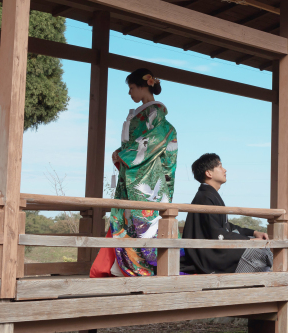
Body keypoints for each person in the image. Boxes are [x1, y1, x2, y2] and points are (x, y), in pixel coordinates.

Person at [108, 68, 178, 277]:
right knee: (127, 220)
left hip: (146, 177)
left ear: (142, 86)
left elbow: (153, 142)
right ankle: (130, 269)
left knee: (144, 223)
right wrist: (122, 155)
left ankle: (148, 270)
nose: (129, 93)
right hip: (134, 173)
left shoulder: (159, 119)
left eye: (131, 88)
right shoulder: (142, 114)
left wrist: (123, 154)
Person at [181, 153, 272, 274]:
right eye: (220, 166)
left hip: (214, 249)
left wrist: (254, 233)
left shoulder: (209, 194)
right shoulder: (205, 197)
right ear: (209, 173)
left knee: (259, 246)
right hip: (208, 257)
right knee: (258, 253)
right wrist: (250, 241)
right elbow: (216, 232)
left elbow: (226, 226)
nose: (225, 170)